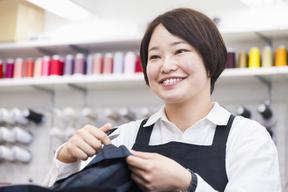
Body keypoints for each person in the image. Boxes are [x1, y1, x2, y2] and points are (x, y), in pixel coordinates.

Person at [45, 8, 282, 192]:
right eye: (155, 56)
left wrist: (187, 183)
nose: (166, 66)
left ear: (210, 59)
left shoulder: (247, 137)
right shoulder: (123, 137)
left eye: (180, 51)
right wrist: (67, 159)